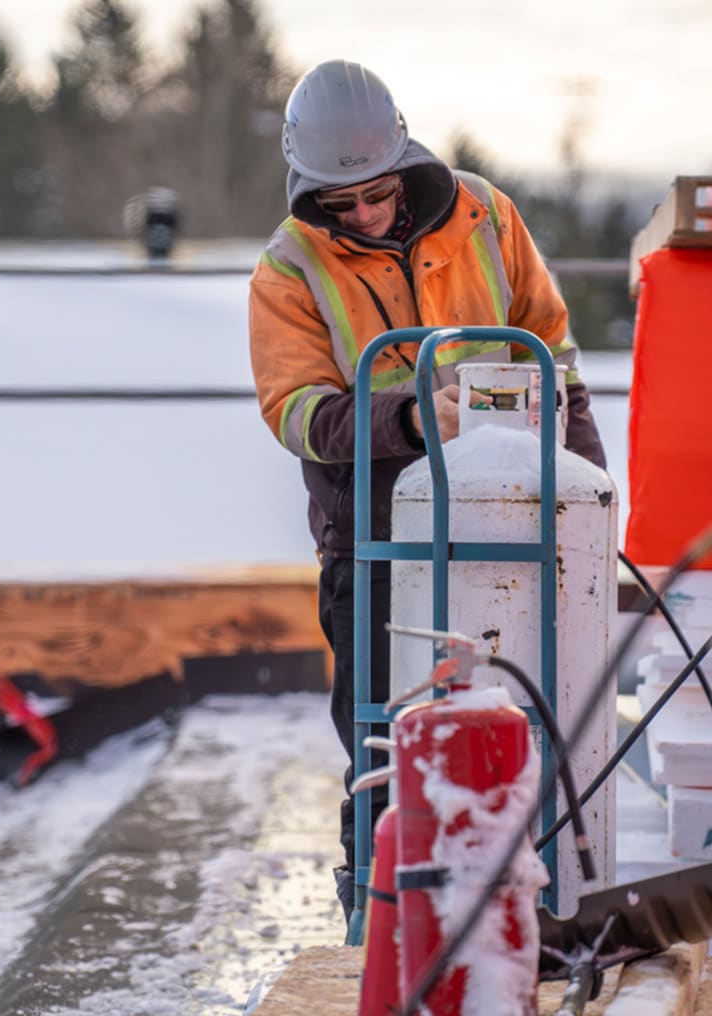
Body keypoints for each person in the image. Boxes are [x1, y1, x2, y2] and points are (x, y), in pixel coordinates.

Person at [247, 59, 606, 926]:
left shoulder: (486, 214)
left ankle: (539, 907)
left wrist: (594, 507)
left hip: (510, 525)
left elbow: (551, 353)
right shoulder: (288, 270)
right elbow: (297, 413)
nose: (365, 214)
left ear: (404, 159)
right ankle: (378, 923)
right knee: (384, 739)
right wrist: (410, 421)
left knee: (528, 716)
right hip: (373, 541)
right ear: (310, 191)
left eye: (377, 193)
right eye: (342, 203)